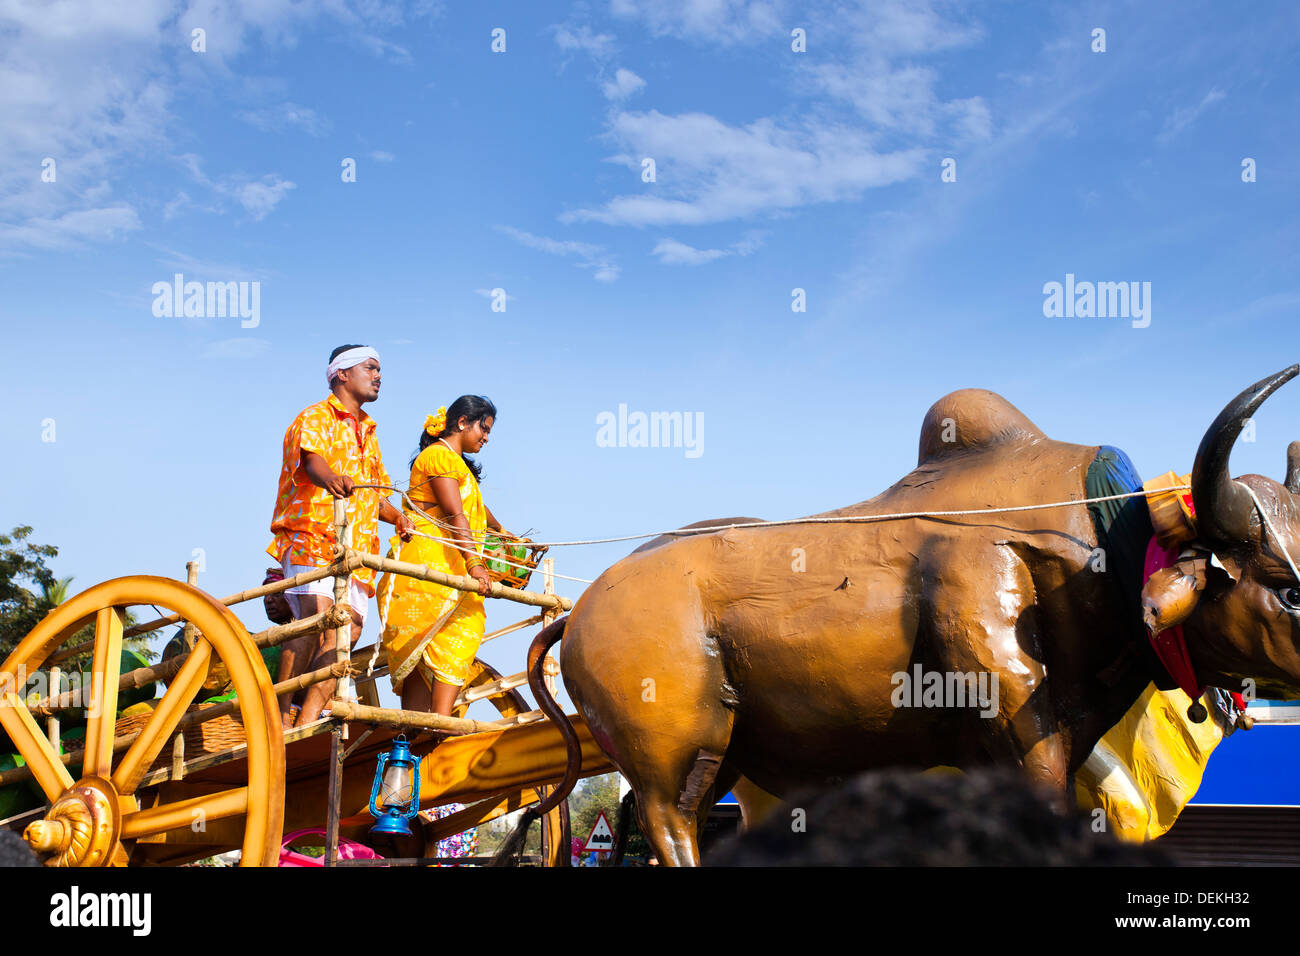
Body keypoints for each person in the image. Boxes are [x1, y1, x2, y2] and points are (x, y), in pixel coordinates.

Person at [268, 344, 413, 728]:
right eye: (371, 368)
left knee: (346, 634)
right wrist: (330, 478)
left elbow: (373, 494)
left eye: (379, 369)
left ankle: (307, 720)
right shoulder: (314, 416)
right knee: (316, 622)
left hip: (357, 550)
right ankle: (278, 717)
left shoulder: (369, 430)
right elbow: (313, 462)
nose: (379, 375)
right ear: (342, 374)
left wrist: (397, 517)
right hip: (314, 535)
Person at [377, 395, 505, 717]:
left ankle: (433, 727)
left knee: (452, 643)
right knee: (434, 646)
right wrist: (475, 564)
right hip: (430, 571)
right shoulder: (437, 457)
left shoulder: (456, 464)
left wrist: (503, 532)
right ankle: (430, 730)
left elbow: (474, 508)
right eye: (484, 429)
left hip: (453, 568)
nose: (486, 438)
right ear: (462, 423)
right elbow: (454, 514)